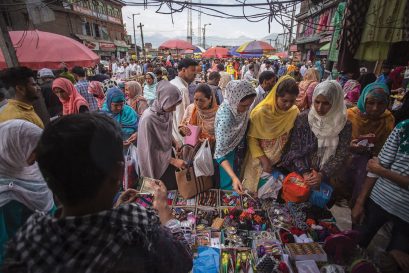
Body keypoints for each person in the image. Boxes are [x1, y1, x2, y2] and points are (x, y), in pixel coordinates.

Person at [2, 113, 193, 272]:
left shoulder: (28, 241)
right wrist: (165, 214)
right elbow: (182, 261)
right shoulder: (135, 225)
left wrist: (116, 208)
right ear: (119, 172)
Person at [352, 120, 409, 273]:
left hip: (406, 216)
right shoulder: (404, 128)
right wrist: (360, 202)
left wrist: (382, 171)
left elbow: (377, 168)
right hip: (379, 199)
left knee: (393, 264)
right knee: (352, 246)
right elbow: (375, 166)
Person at [280, 81, 352, 190]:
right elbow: (294, 148)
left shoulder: (343, 124)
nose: (319, 108)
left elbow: (341, 153)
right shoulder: (304, 118)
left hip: (326, 176)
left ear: (336, 102)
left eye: (326, 103)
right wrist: (305, 173)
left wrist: (322, 174)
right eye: (317, 102)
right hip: (299, 173)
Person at [0, 120, 54, 264]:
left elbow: (51, 214)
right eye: (33, 149)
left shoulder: (33, 172)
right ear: (12, 146)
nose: (37, 156)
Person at [243, 76, 299, 193]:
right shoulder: (260, 113)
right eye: (284, 101)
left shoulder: (294, 112)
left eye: (292, 101)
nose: (288, 105)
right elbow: (252, 139)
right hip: (258, 162)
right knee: (253, 193)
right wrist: (264, 160)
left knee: (272, 197)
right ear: (276, 96)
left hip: (279, 164)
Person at [345, 82, 394, 205]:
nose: (375, 108)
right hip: (345, 163)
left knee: (358, 201)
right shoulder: (350, 115)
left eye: (381, 103)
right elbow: (335, 140)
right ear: (363, 100)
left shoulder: (388, 119)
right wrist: (349, 146)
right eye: (371, 103)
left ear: (387, 103)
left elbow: (387, 149)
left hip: (370, 169)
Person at [137, 81, 187, 190]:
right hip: (154, 160)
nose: (174, 109)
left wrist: (175, 142)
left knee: (170, 189)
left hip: (167, 156)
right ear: (164, 100)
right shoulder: (148, 119)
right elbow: (150, 149)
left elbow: (167, 132)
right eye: (172, 105)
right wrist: (174, 161)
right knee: (156, 191)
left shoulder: (165, 112)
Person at [214, 80, 256, 193]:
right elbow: (219, 154)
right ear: (234, 100)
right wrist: (233, 177)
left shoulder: (239, 108)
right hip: (226, 157)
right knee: (229, 189)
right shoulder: (226, 118)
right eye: (244, 105)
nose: (247, 109)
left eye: (250, 105)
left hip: (238, 152)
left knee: (238, 183)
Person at [170, 58, 198, 146]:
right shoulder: (182, 89)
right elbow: (181, 119)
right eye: (192, 70)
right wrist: (183, 142)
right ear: (183, 70)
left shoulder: (172, 83)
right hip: (177, 137)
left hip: (171, 134)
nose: (195, 73)